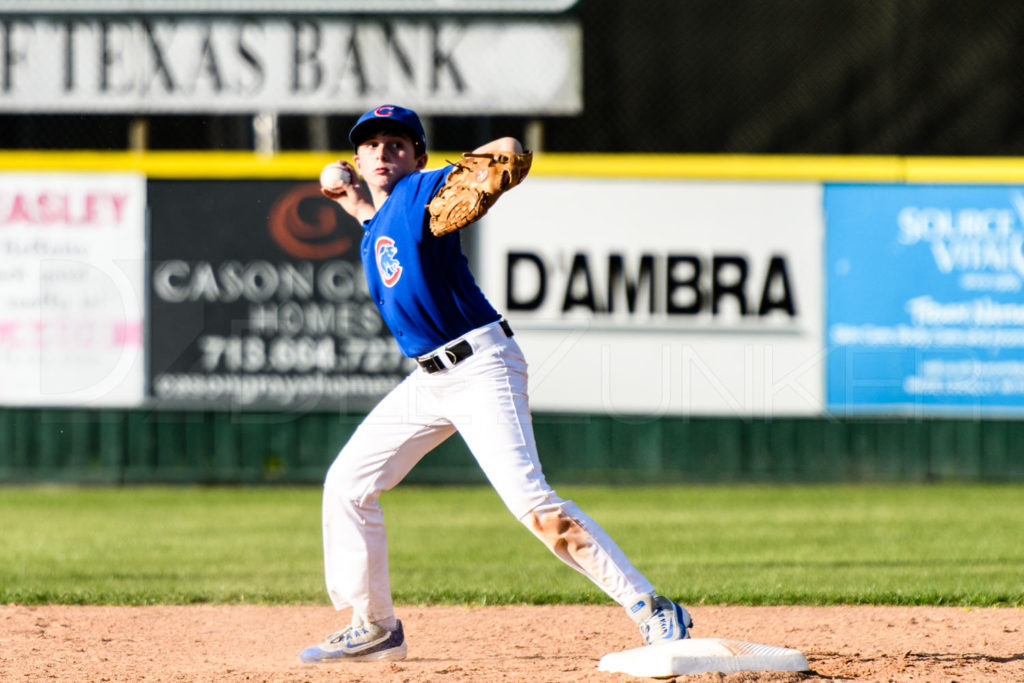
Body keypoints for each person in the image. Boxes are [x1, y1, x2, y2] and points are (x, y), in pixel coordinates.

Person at [300, 104, 692, 663]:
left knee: (532, 502)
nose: (383, 153)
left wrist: (487, 167)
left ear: (419, 157)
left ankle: (651, 607)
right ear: (358, 157)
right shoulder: (380, 220)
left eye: (397, 144)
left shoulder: (424, 193)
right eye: (372, 145)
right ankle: (376, 627)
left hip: (480, 367)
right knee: (347, 485)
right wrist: (350, 198)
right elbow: (375, 222)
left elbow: (506, 153)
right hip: (430, 381)